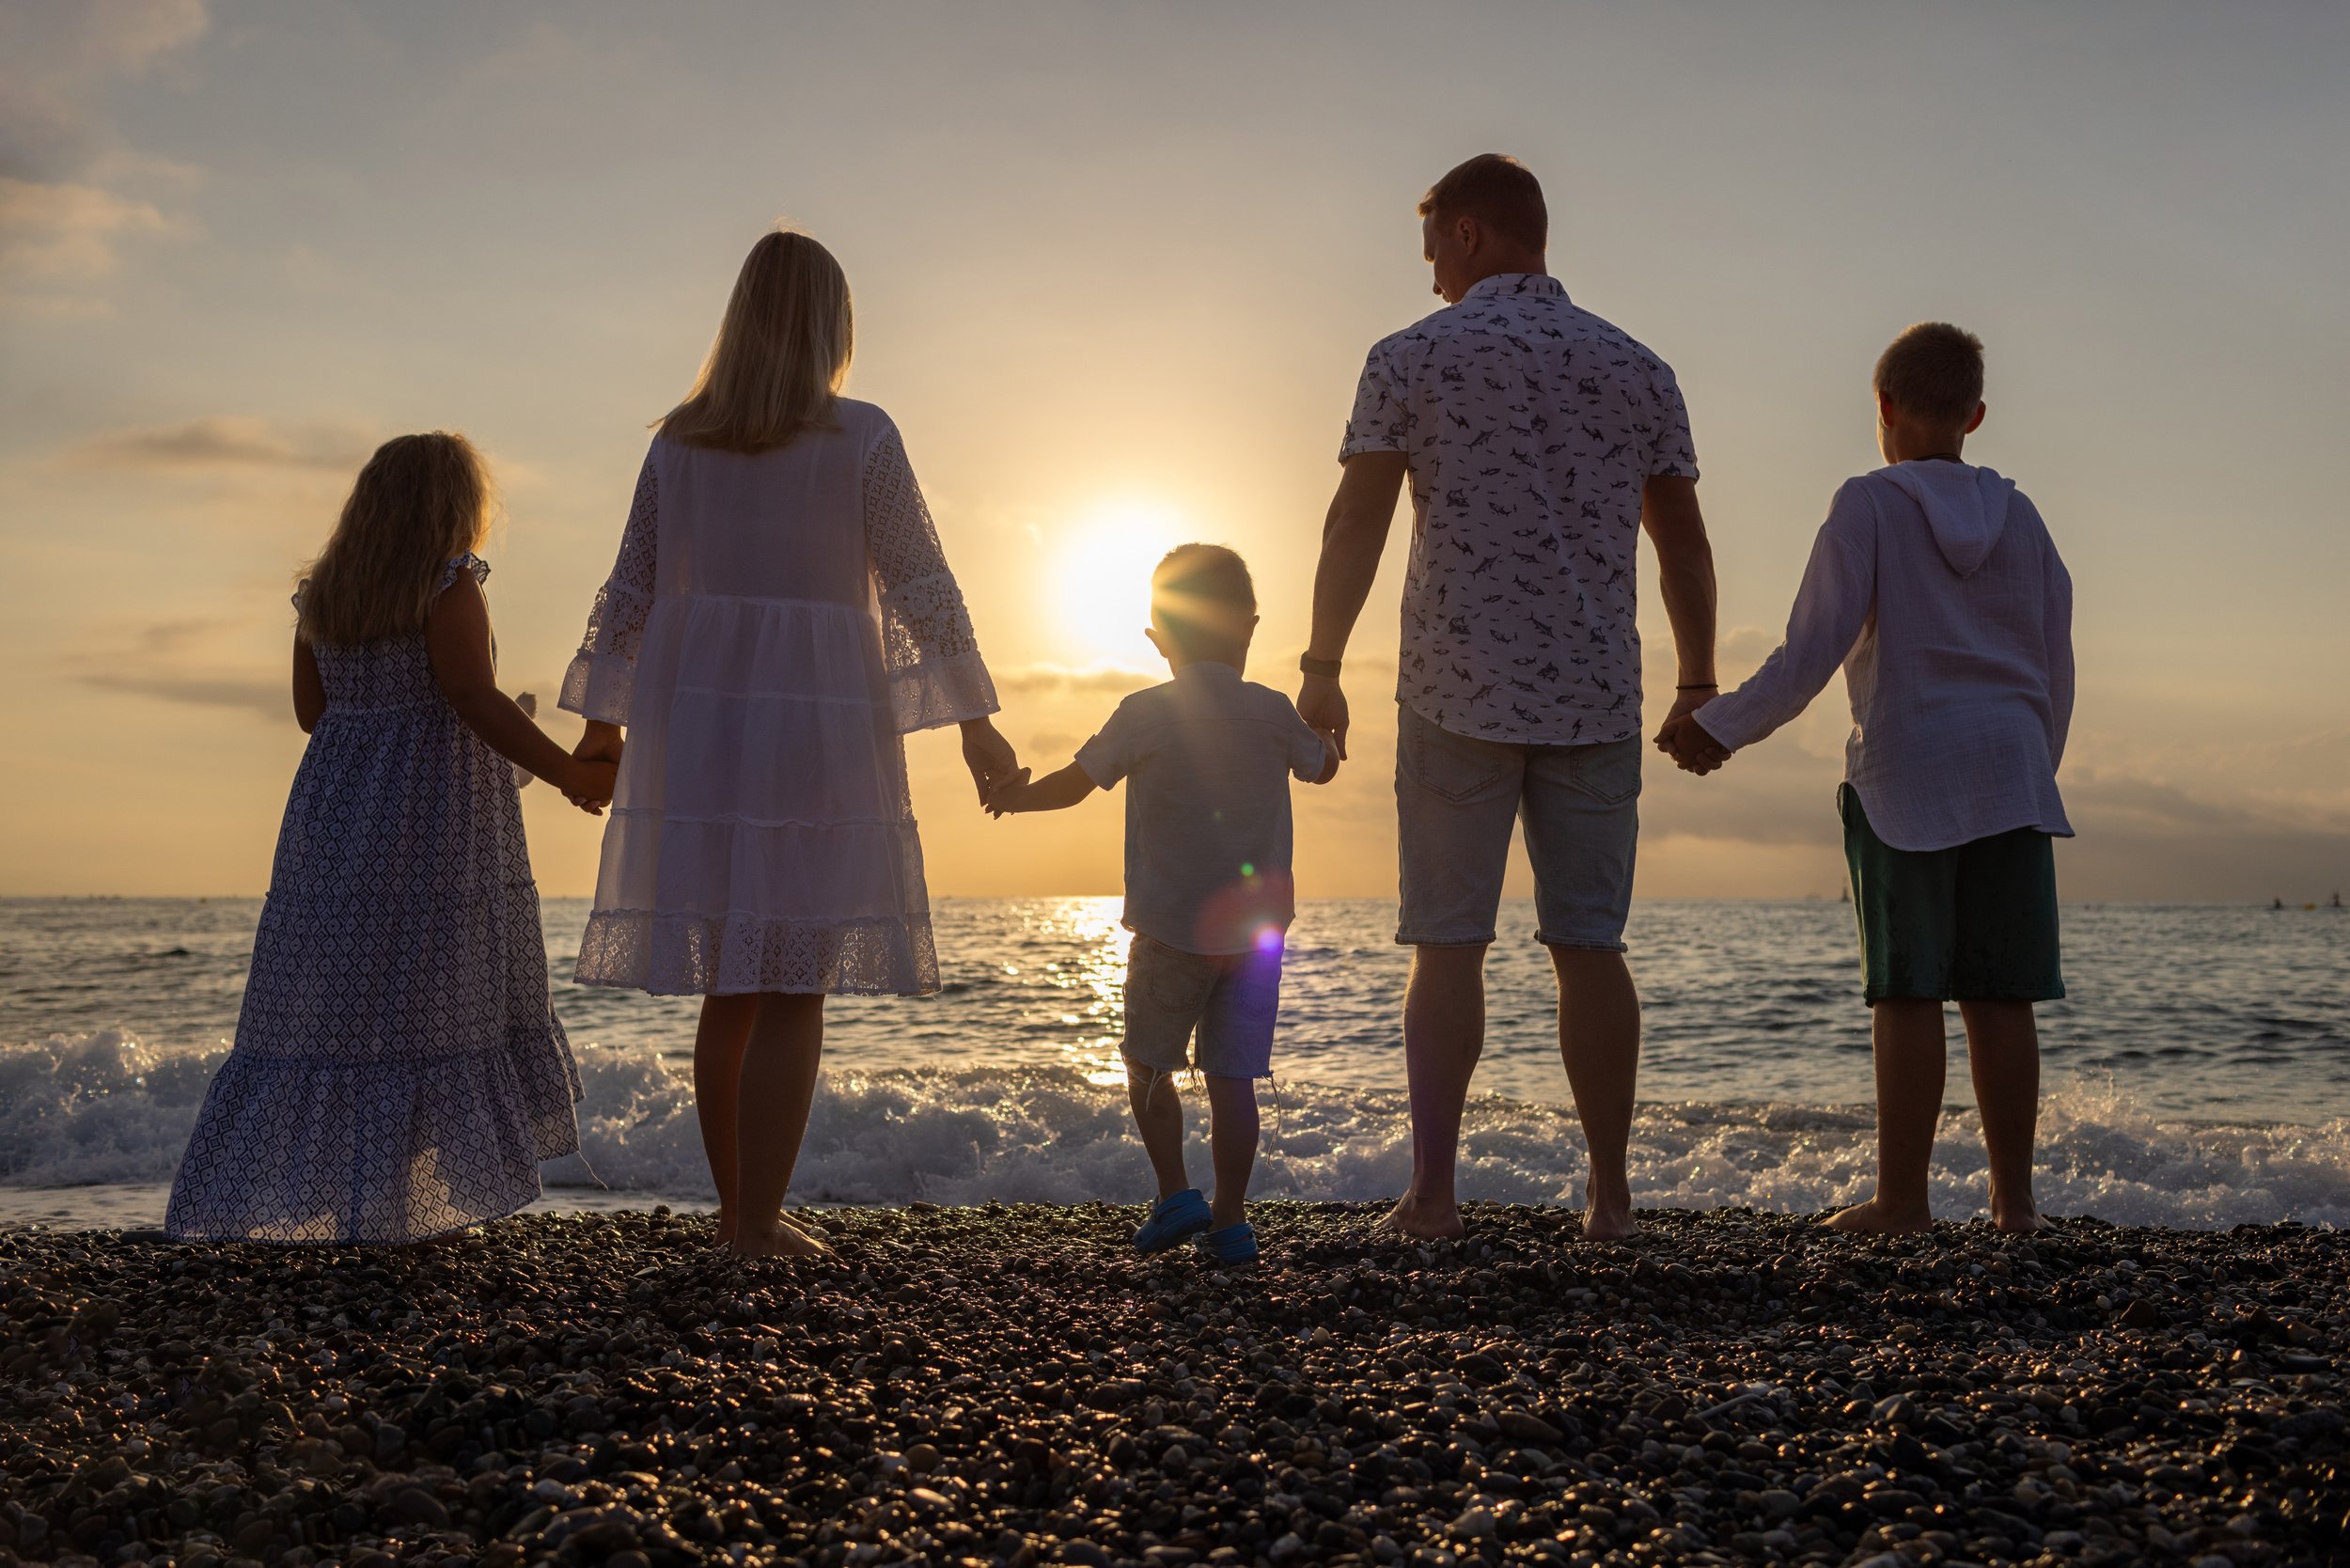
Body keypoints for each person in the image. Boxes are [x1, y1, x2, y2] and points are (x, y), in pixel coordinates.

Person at [561, 228, 1018, 1259]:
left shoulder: (680, 440)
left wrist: (603, 724)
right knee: (793, 978)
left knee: (732, 974)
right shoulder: (860, 435)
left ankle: (737, 1218)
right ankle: (755, 1226)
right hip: (817, 717)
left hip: (703, 720)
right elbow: (921, 585)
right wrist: (978, 727)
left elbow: (630, 589)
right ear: (831, 328)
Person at [1297, 153, 1719, 1241]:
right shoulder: (1639, 367)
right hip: (1593, 691)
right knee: (1590, 946)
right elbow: (1680, 539)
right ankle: (1611, 1200)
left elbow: (1358, 521)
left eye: (1434, 242)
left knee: (1449, 946)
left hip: (1453, 688)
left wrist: (1321, 663)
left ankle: (1433, 1197)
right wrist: (1697, 679)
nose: (1430, 267)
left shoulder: (1410, 356)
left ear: (1474, 234)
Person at [1661, 321, 2074, 1235]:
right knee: (2001, 993)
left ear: (1882, 407)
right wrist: (2034, 765)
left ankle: (1904, 1203)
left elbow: (1812, 649)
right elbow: (2056, 659)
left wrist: (1718, 726)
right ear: (1974, 413)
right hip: (2011, 770)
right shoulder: (2023, 517)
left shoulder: (1868, 504)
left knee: (1909, 988)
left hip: (1908, 773)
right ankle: (2016, 1206)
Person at [165, 433, 604, 1245]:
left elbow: (313, 714)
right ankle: (409, 1206)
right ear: (453, 505)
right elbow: (472, 696)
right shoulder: (449, 583)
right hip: (434, 812)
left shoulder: (324, 596)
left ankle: (338, 1200)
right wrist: (570, 773)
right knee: (430, 997)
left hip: (336, 817)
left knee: (346, 1001)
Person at [985, 545, 1339, 1263]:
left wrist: (1015, 798)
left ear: (1157, 638)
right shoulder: (1272, 712)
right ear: (1250, 628)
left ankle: (1177, 1192)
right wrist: (1334, 733)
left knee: (1149, 1065)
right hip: (1256, 938)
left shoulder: (1143, 714)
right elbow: (1323, 767)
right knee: (1234, 1080)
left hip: (1168, 930)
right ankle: (1232, 1221)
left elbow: (1077, 782)